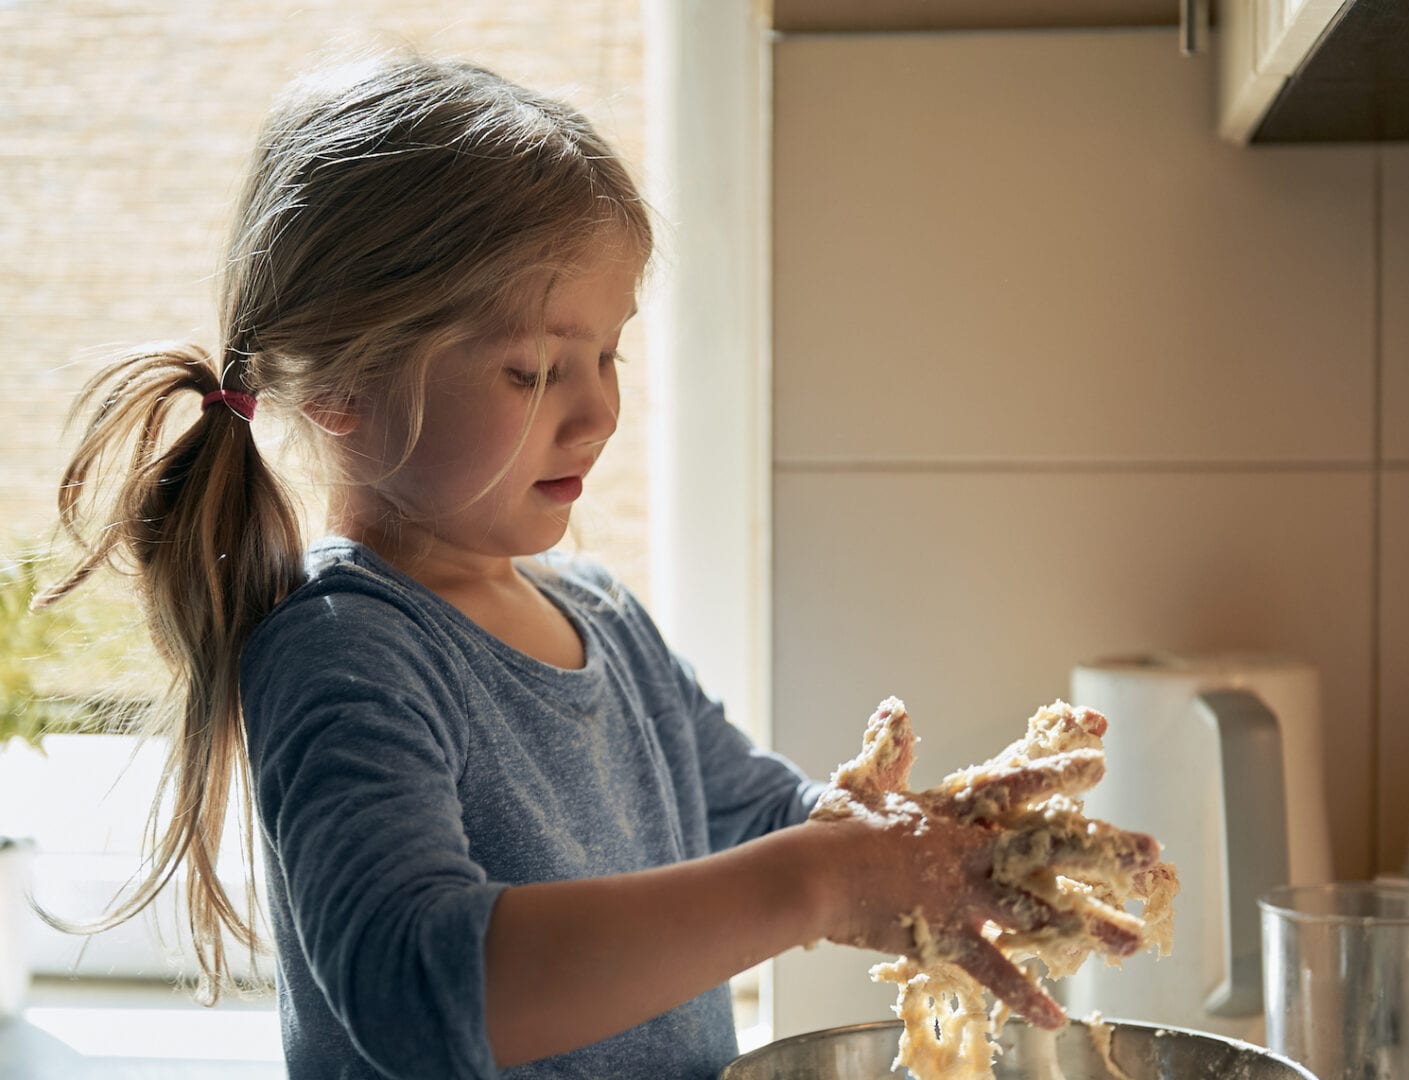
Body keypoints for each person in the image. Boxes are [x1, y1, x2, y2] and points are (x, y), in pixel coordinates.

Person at [35, 52, 1077, 1079]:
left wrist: (901, 846)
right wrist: (817, 883)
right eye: (533, 369)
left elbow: (754, 813)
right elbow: (419, 982)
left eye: (608, 355)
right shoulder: (346, 653)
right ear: (343, 393)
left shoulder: (604, 617)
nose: (598, 410)